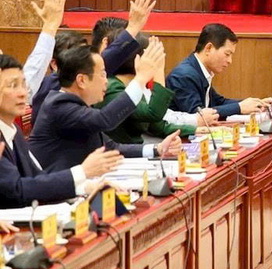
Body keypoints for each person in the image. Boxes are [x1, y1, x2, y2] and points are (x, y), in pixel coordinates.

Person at [28, 40, 182, 173]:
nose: (106, 81)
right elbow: (105, 120)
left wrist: (158, 149)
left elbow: (111, 147)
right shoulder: (59, 105)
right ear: (81, 80)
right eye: (102, 74)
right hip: (52, 192)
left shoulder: (79, 106)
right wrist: (141, 78)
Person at [0, 54, 122, 206]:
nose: (23, 93)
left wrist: (86, 187)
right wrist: (82, 172)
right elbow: (17, 190)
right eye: (12, 85)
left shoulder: (14, 131)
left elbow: (37, 179)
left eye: (23, 85)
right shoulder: (60, 105)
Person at [30, 0, 154, 113]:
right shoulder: (52, 84)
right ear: (55, 64)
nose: (105, 80)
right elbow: (105, 119)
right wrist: (132, 28)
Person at [101, 35, 199, 145]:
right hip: (120, 152)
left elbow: (157, 126)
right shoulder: (113, 88)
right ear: (137, 60)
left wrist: (195, 130)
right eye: (152, 56)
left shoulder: (134, 86)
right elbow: (153, 113)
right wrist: (158, 71)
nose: (155, 60)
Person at [165, 24, 266, 119]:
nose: (230, 61)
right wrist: (239, 107)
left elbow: (218, 102)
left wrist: (256, 104)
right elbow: (198, 116)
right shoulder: (183, 76)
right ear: (208, 48)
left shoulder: (199, 70)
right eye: (227, 54)